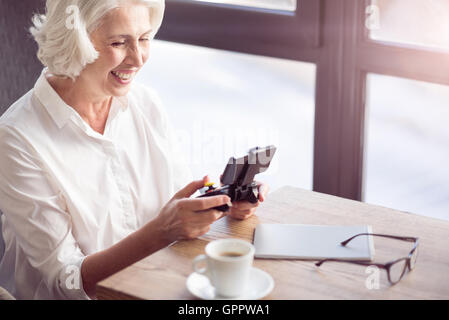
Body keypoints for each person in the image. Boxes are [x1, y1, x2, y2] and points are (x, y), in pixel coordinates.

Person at [0, 0, 268, 300]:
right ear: (73, 42)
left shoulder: (145, 103)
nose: (138, 58)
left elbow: (179, 206)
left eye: (144, 39)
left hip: (159, 287)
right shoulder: (16, 138)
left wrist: (222, 205)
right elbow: (67, 282)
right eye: (118, 42)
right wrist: (161, 231)